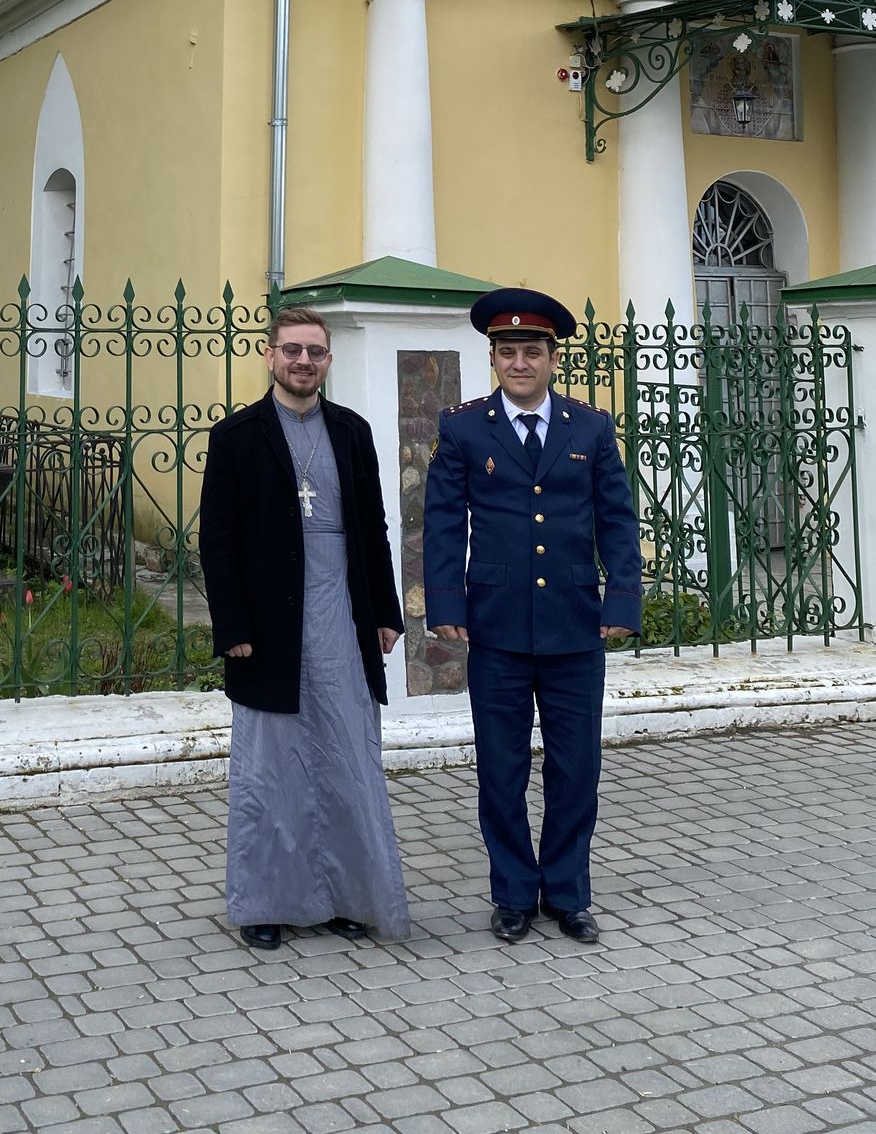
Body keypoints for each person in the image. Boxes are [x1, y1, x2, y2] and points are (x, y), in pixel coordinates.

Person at [422, 288, 642, 945]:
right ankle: (514, 894)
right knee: (502, 767)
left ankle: (568, 893)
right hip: (497, 626)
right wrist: (446, 604)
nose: (520, 362)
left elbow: (617, 521)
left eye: (532, 352)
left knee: (576, 768)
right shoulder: (463, 428)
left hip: (576, 624)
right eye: (508, 352)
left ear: (552, 359)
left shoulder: (590, 428)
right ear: (492, 359)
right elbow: (441, 523)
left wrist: (622, 599)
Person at [199, 305, 410, 953]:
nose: (303, 361)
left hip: (339, 616)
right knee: (273, 766)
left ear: (328, 360)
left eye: (314, 352)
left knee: (347, 759)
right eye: (291, 350)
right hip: (267, 624)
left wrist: (384, 611)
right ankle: (267, 901)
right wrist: (231, 623)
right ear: (270, 356)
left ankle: (347, 896)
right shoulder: (236, 436)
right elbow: (217, 539)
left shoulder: (351, 431)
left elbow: (373, 528)